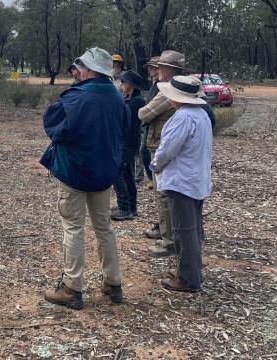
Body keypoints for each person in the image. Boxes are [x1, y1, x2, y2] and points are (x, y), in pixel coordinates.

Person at [41, 47, 129, 309]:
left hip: (74, 172)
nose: (78, 71)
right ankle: (113, 284)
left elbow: (54, 127)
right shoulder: (117, 98)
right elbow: (123, 130)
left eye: (81, 67)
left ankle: (71, 287)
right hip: (103, 173)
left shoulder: (76, 98)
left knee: (73, 227)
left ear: (89, 70)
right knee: (104, 227)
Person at [151, 75, 213, 292]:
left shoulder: (183, 117)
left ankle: (188, 279)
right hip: (196, 180)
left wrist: (155, 165)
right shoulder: (201, 115)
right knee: (193, 229)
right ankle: (189, 270)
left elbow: (167, 149)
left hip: (182, 182)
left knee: (184, 231)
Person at [138, 50, 186, 257]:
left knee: (164, 195)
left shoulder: (170, 90)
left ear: (169, 70)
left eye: (159, 67)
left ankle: (170, 242)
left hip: (163, 148)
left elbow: (144, 113)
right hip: (172, 148)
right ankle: (176, 236)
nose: (155, 71)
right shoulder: (183, 88)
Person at [111, 70, 146, 221]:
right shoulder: (131, 99)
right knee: (127, 174)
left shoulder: (136, 101)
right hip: (127, 141)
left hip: (128, 142)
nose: (122, 84)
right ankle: (132, 206)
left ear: (131, 85)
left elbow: (126, 123)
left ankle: (124, 207)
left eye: (124, 82)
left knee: (116, 173)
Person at [137, 56, 160, 187]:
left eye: (152, 67)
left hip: (153, 122)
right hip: (147, 122)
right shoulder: (154, 84)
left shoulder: (161, 85)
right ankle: (152, 177)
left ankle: (153, 178)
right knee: (144, 150)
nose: (150, 69)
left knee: (146, 150)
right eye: (149, 67)